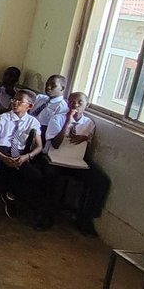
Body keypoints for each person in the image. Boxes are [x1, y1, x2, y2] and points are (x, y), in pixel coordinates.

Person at [31, 92, 110, 234]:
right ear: (67, 104)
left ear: (87, 105)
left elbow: (85, 148)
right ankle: (45, 216)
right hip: (54, 159)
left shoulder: (89, 123)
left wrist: (85, 138)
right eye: (72, 102)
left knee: (100, 181)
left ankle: (85, 218)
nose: (76, 105)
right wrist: (67, 123)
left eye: (80, 102)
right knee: (49, 178)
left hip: (75, 161)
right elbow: (55, 144)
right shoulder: (58, 118)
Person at [0, 89, 43, 217]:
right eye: (14, 99)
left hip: (18, 153)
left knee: (34, 175)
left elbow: (39, 146)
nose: (15, 102)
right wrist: (3, 157)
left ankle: (11, 196)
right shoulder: (2, 118)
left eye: (20, 100)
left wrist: (26, 156)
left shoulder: (33, 122)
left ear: (29, 106)